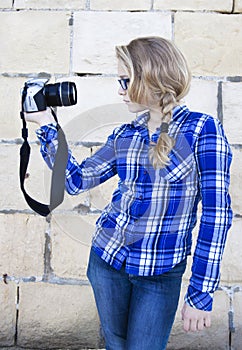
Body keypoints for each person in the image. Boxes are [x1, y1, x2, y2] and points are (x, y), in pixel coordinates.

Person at [25, 36, 233, 350]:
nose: (119, 90)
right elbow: (77, 180)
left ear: (151, 78)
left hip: (159, 274)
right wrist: (44, 126)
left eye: (125, 80)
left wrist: (200, 294)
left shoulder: (203, 130)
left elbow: (216, 216)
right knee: (116, 345)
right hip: (106, 262)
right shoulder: (124, 133)